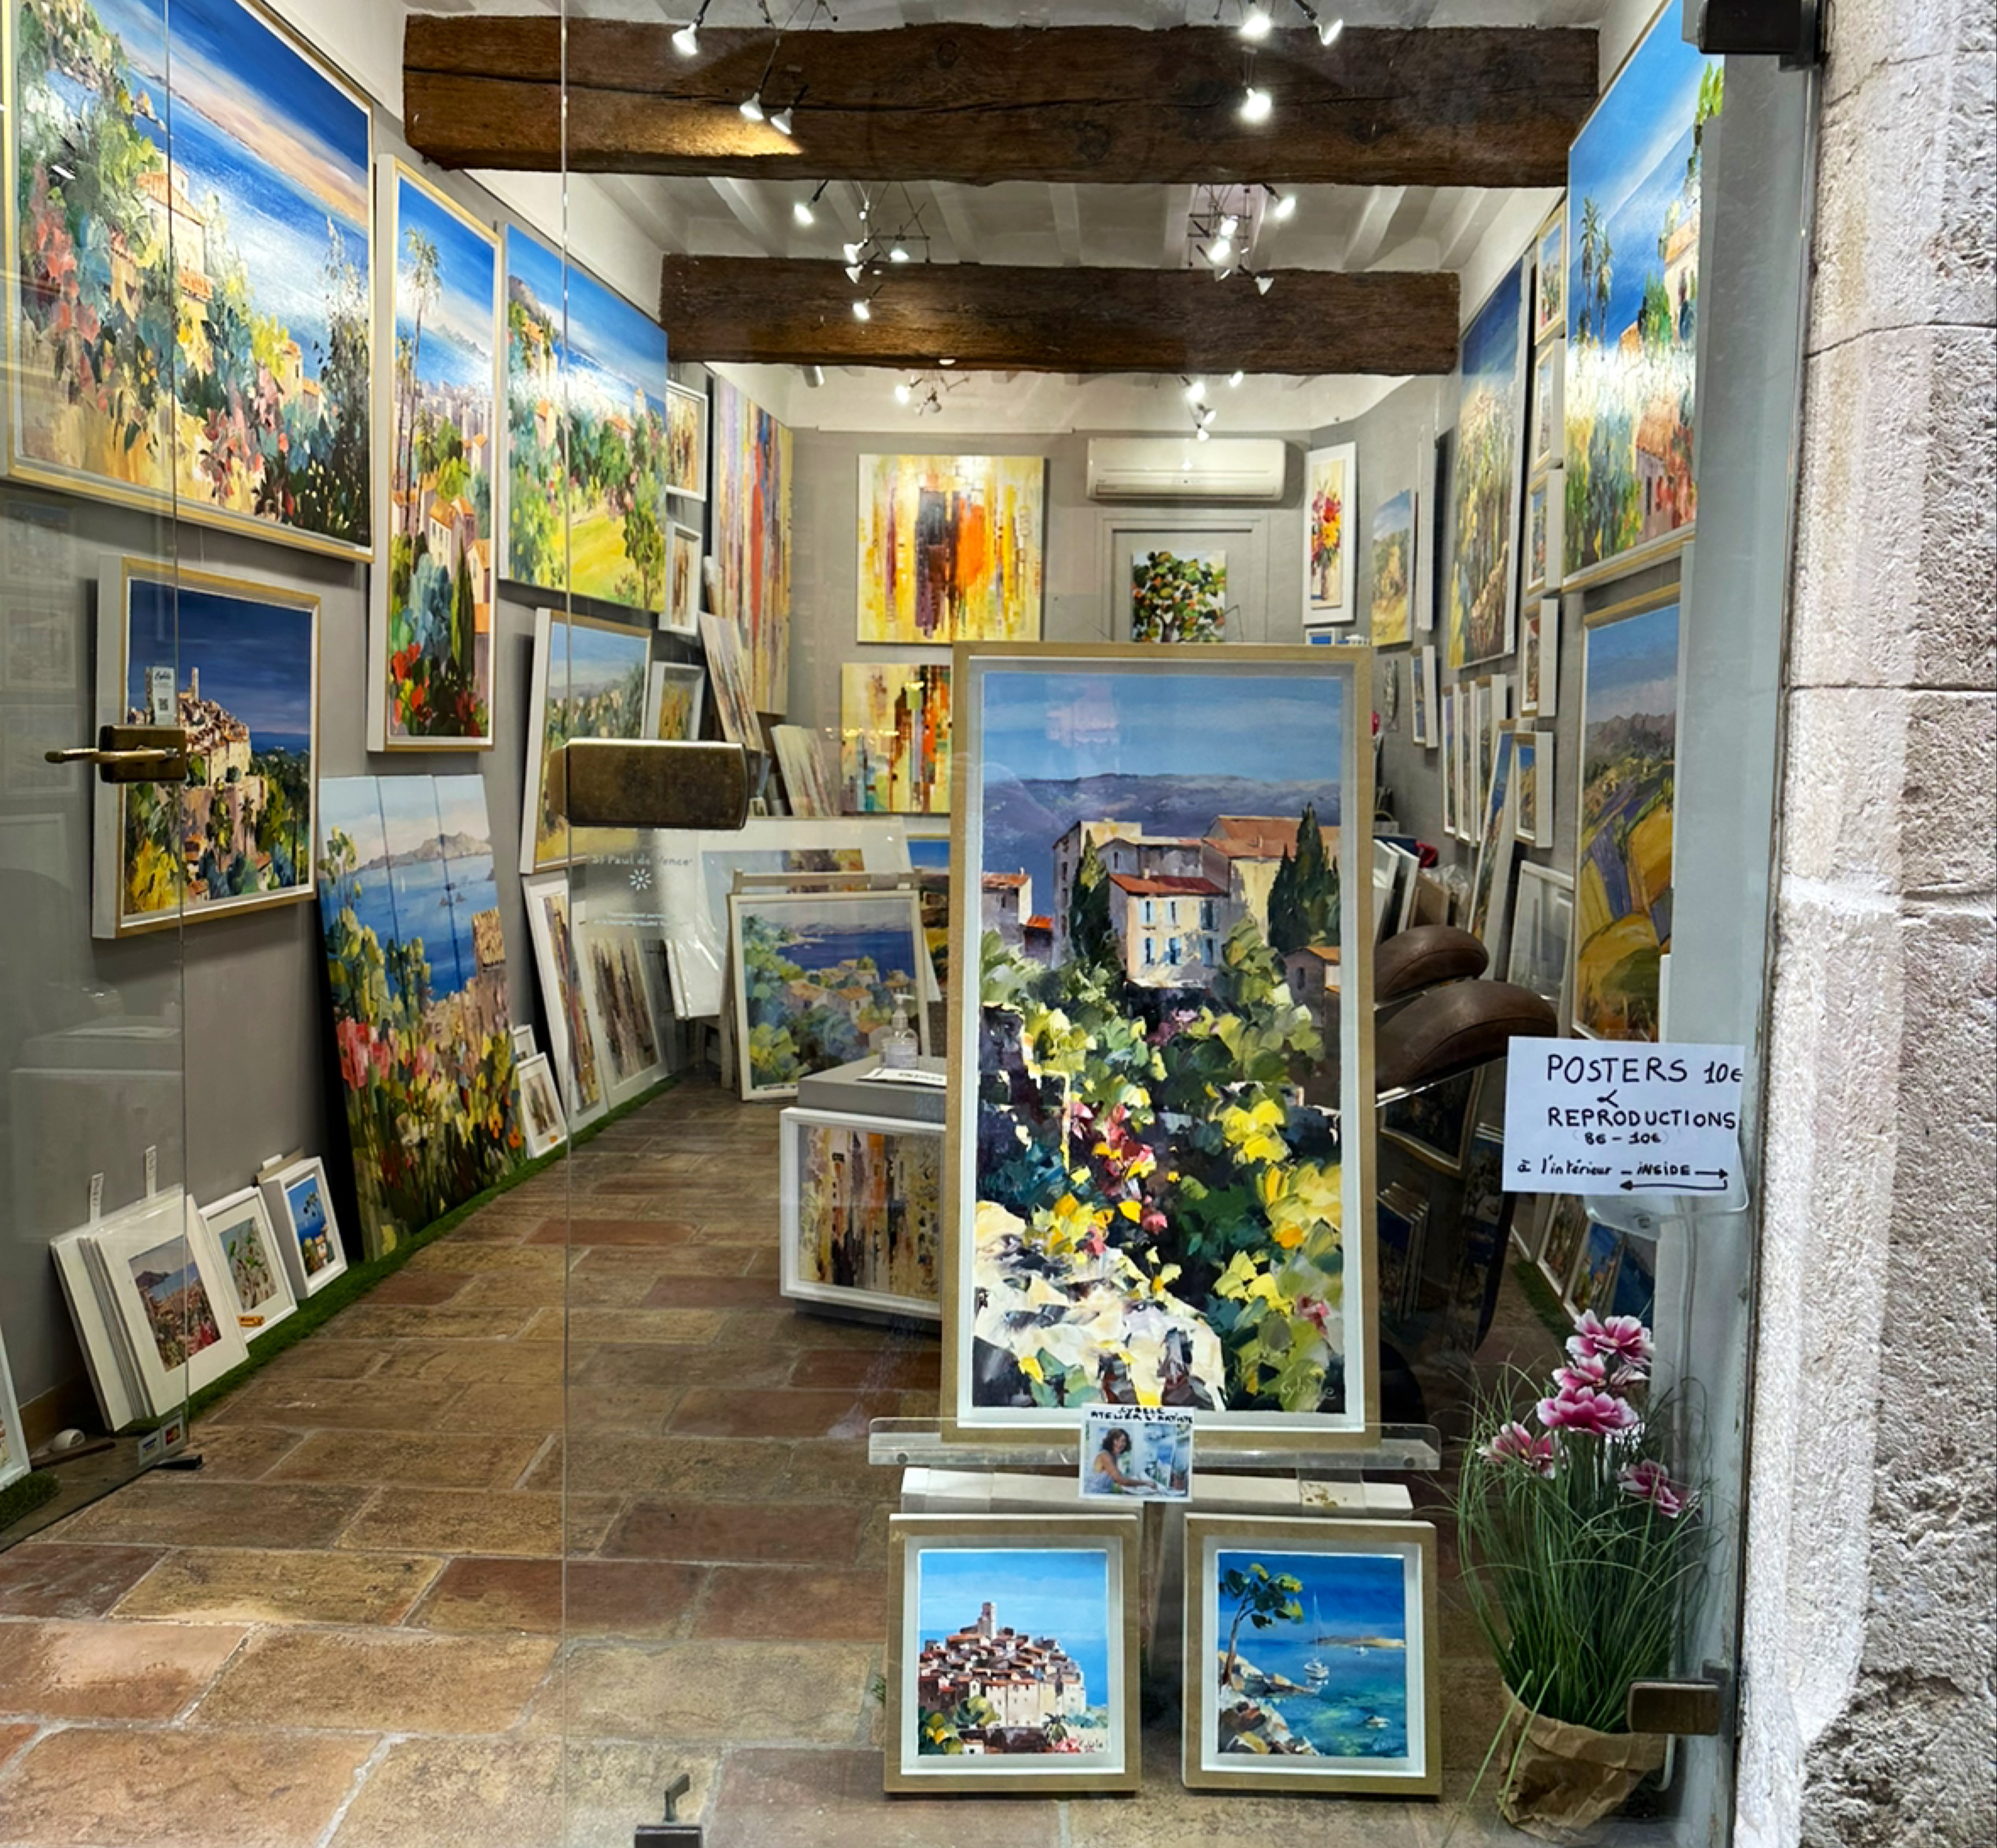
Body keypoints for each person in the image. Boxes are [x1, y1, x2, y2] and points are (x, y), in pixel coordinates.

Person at [1089, 1425, 1151, 1494]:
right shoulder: (1105, 1456)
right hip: (1093, 1493)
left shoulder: (1114, 1456)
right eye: (1117, 1440)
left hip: (1104, 1493)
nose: (1120, 1444)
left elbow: (1118, 1477)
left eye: (1123, 1441)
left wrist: (1134, 1484)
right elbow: (1120, 1480)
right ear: (1110, 1441)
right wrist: (1147, 1483)